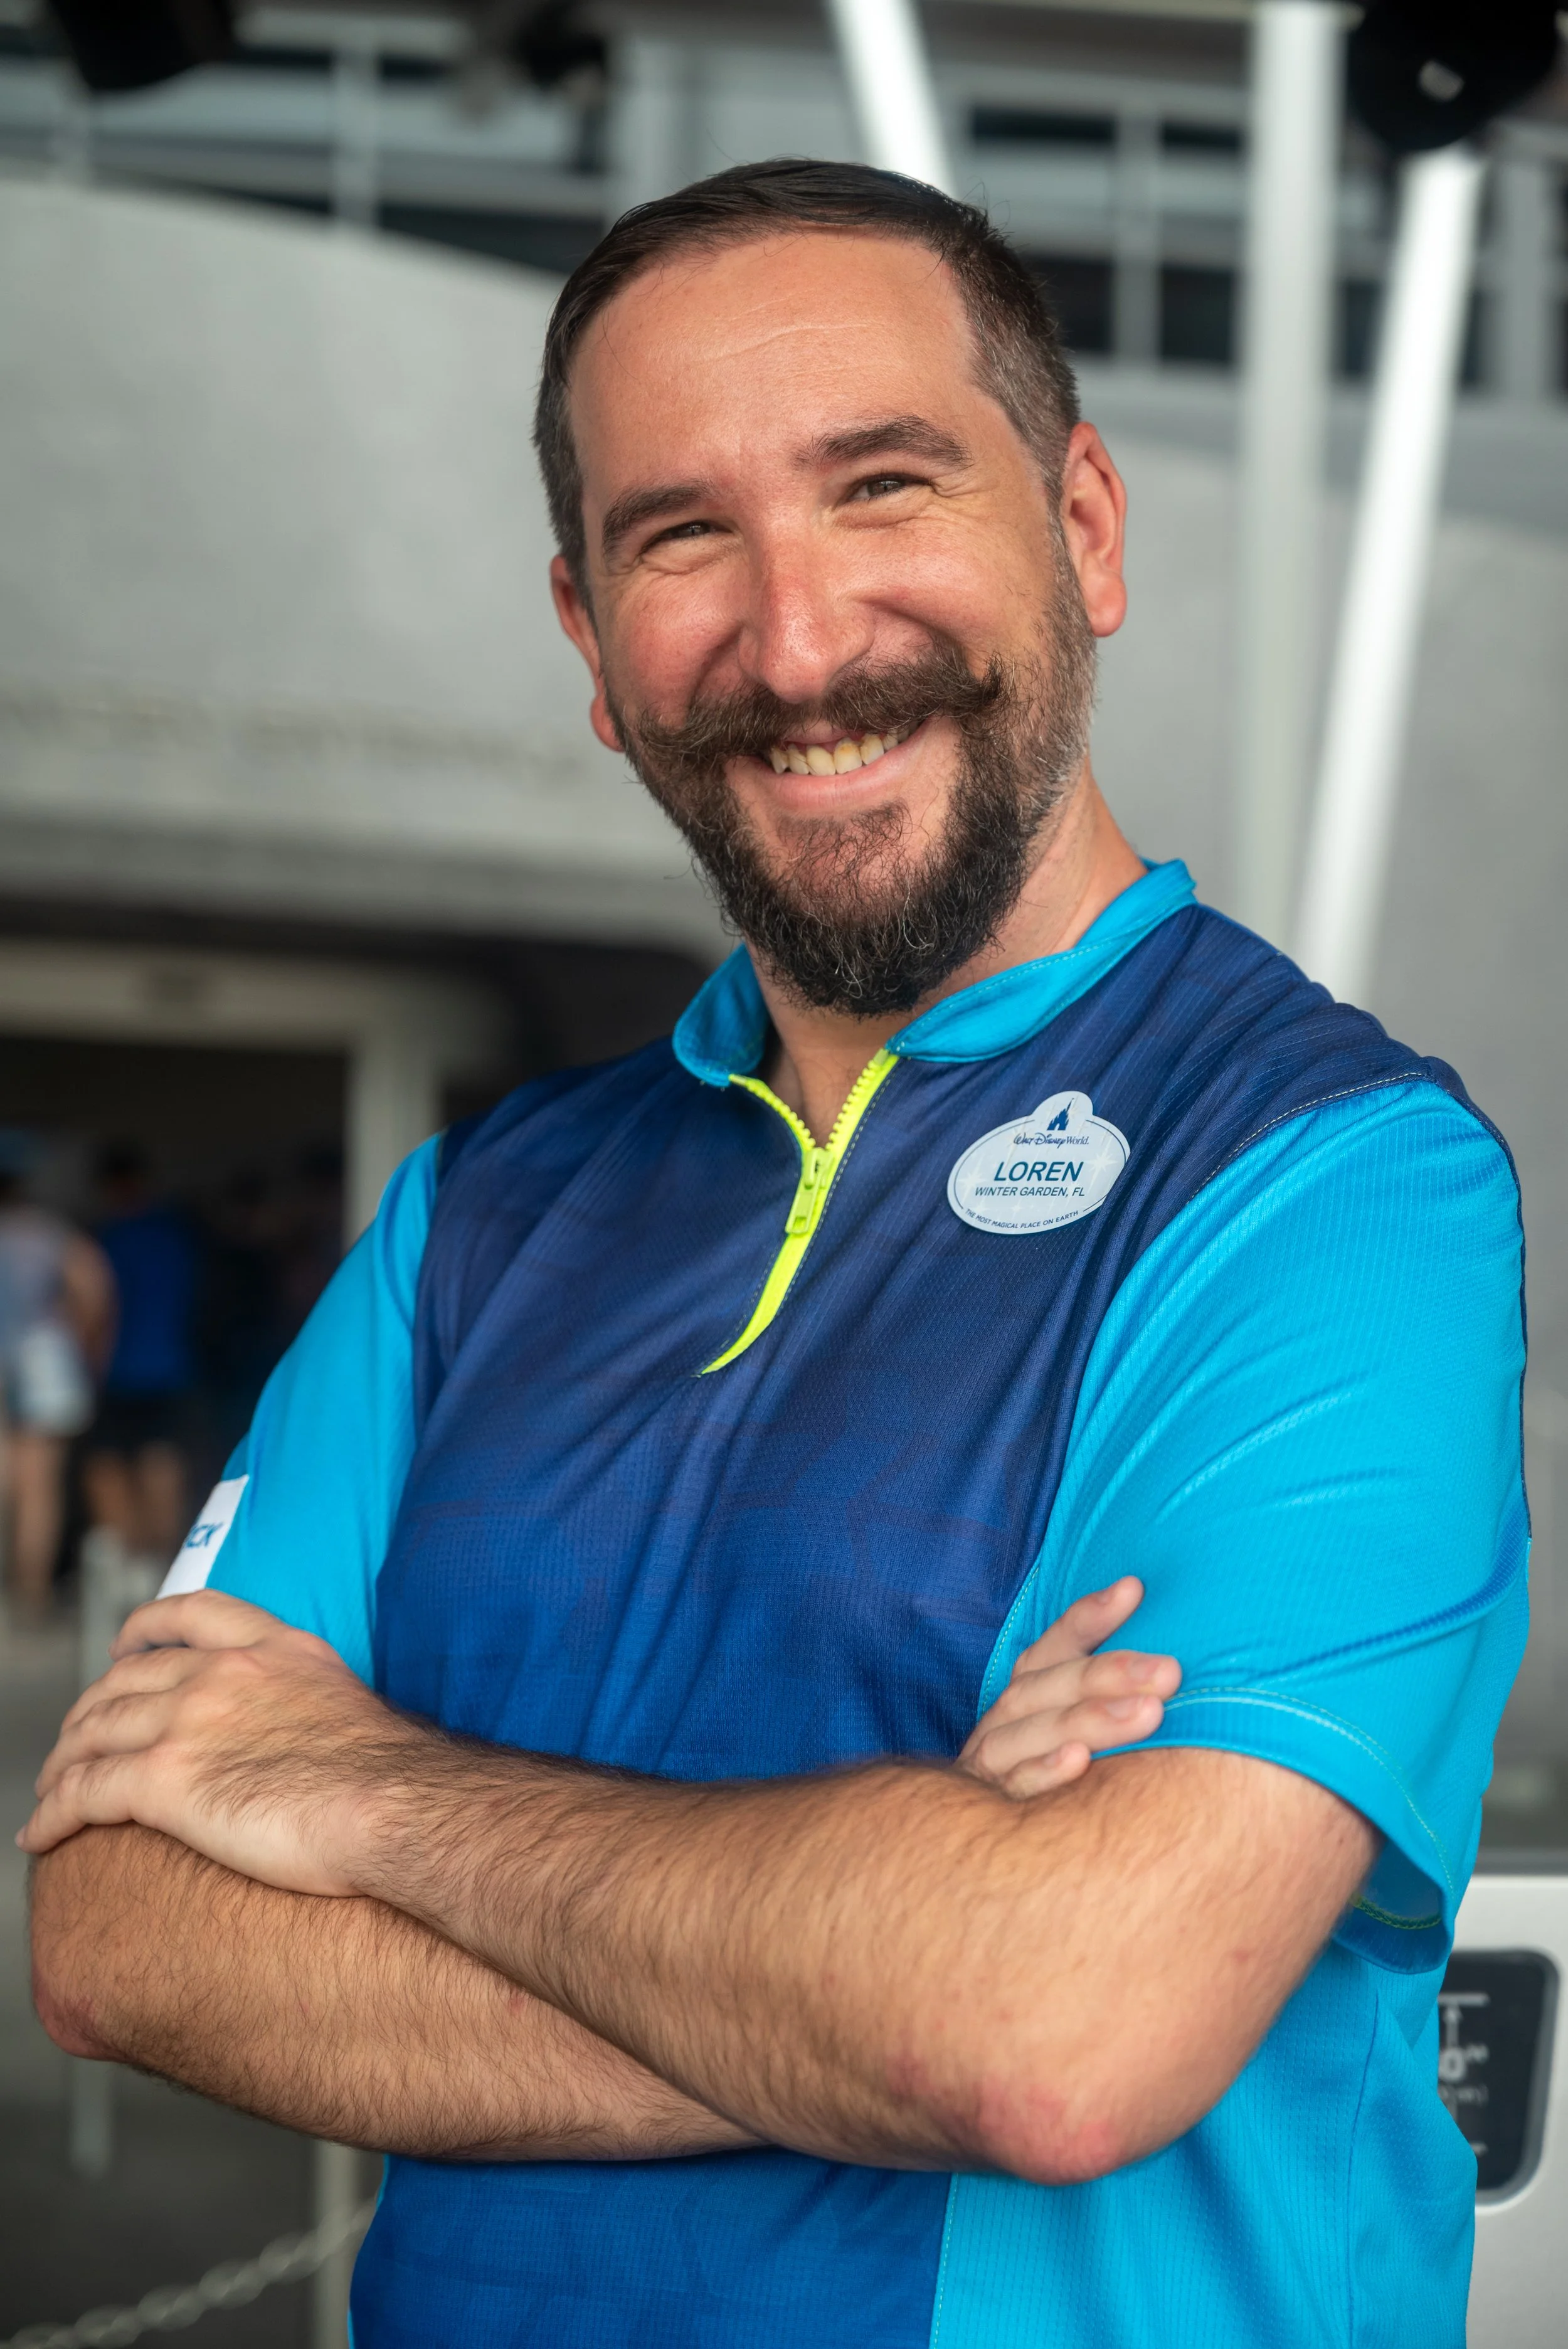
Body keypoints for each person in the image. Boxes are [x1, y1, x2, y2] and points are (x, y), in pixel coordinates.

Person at [25, 162, 1525, 2349]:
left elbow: (1051, 2025)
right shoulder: (480, 1218)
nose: (800, 640)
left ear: (1085, 526)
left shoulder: (1332, 1180)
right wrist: (868, 1972)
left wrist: (349, 1781)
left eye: (882, 484)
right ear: (590, 647)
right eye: (681, 537)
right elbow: (121, 1924)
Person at [0, 1153, 113, 1617]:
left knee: (9, 1483)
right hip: (45, 1361)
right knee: (40, 1486)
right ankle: (33, 1592)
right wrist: (86, 1347)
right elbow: (94, 1290)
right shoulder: (50, 1232)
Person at [82, 1143, 199, 1563]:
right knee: (161, 1459)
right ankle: (161, 1561)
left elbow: (95, 1310)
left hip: (116, 1369)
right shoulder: (175, 1236)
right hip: (171, 1364)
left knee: (107, 1464)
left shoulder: (105, 1239)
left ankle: (126, 1563)